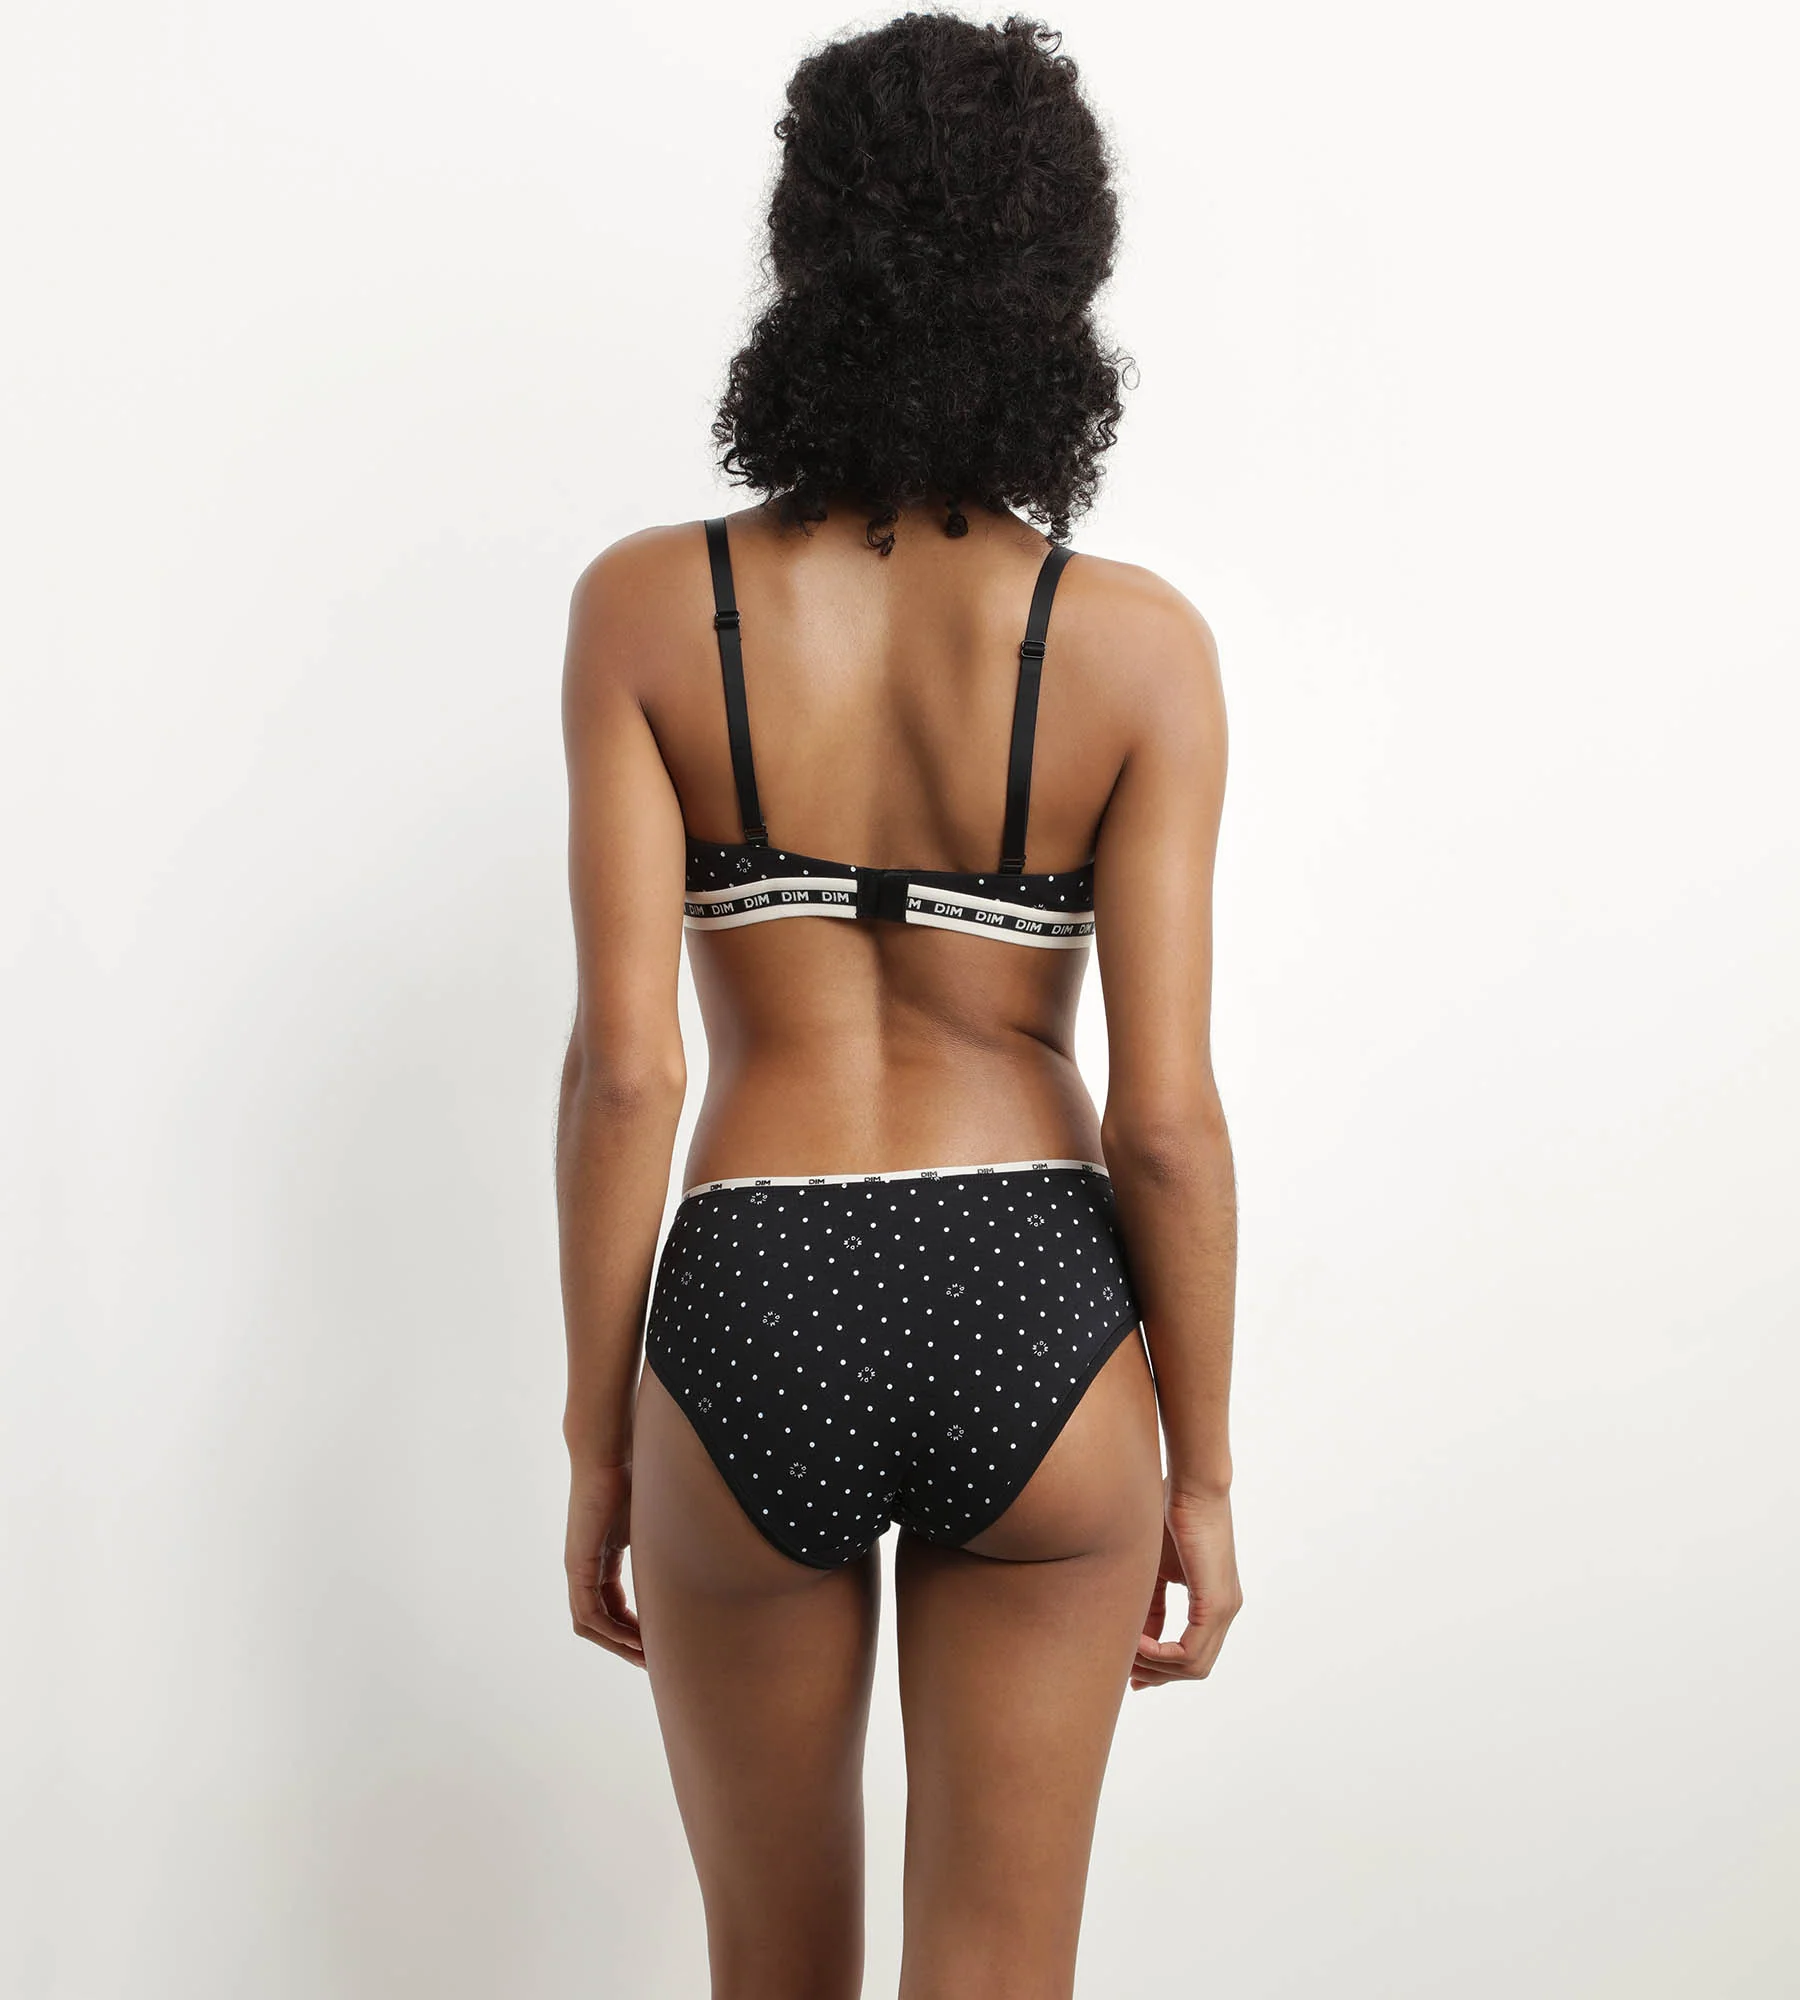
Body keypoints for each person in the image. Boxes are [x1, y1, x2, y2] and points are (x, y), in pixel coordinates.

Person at [555, 13, 1239, 1996]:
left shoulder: (643, 610)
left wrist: (600, 1440)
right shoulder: (1137, 649)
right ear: (1061, 281)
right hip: (1036, 1296)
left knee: (771, 1975)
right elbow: (1165, 1120)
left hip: (751, 1302)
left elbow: (626, 1075)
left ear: (806, 256)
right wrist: (1200, 1472)